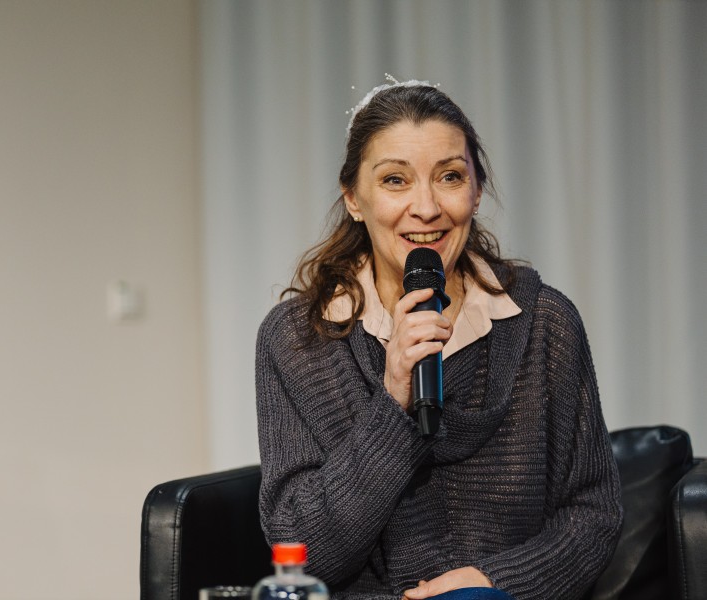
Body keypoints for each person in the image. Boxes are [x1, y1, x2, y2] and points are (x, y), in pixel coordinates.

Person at [254, 78, 623, 600]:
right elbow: (303, 550)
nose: (426, 208)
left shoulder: (545, 321)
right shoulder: (298, 338)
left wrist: (493, 583)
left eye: (449, 176)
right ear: (354, 198)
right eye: (395, 180)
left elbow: (593, 514)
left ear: (476, 191)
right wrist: (393, 403)